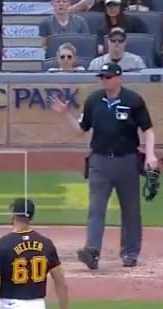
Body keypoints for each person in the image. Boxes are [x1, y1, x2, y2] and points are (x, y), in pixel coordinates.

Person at [49, 62, 159, 269]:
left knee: (131, 209)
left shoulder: (132, 100)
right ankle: (92, 251)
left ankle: (130, 253)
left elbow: (148, 129)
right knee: (96, 208)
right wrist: (66, 114)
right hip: (99, 161)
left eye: (107, 77)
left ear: (118, 78)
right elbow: (80, 130)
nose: (104, 80)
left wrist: (150, 154)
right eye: (102, 77)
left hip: (126, 159)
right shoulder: (94, 100)